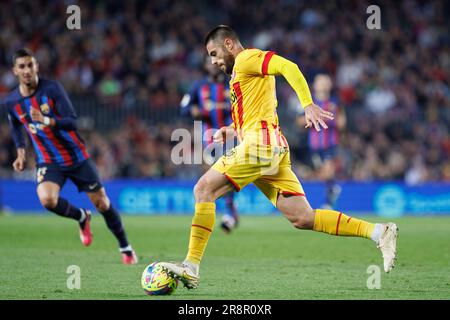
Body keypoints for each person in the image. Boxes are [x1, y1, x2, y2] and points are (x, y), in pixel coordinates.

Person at [159, 25, 398, 289]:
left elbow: (289, 67)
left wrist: (308, 104)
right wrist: (230, 130)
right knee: (303, 218)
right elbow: (255, 112)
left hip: (261, 147)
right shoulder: (239, 72)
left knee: (203, 189)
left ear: (228, 44)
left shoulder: (247, 58)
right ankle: (379, 232)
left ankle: (191, 266)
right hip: (271, 148)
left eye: (214, 54)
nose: (214, 62)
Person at [4, 48, 138, 264]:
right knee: (47, 200)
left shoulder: (52, 89)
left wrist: (47, 120)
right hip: (48, 160)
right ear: (15, 71)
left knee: (102, 204)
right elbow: (16, 127)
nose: (27, 70)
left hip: (76, 157)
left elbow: (72, 121)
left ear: (36, 66)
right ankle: (81, 217)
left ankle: (125, 246)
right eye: (22, 66)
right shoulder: (12, 102)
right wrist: (20, 152)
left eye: (30, 65)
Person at [180, 56, 239, 233]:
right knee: (216, 175)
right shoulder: (198, 86)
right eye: (209, 62)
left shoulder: (233, 83)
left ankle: (228, 212)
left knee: (223, 172)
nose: (213, 64)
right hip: (209, 136)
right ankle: (229, 211)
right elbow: (183, 107)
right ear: (205, 66)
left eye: (216, 60)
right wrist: (193, 110)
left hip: (231, 134)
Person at [297, 74, 345, 209]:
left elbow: (342, 124)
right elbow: (299, 121)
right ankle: (332, 189)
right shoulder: (309, 103)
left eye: (325, 82)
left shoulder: (335, 103)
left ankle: (329, 203)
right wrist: (311, 119)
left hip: (330, 145)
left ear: (330, 85)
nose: (322, 84)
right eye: (320, 82)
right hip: (313, 146)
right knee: (321, 175)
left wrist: (335, 115)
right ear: (315, 85)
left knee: (328, 172)